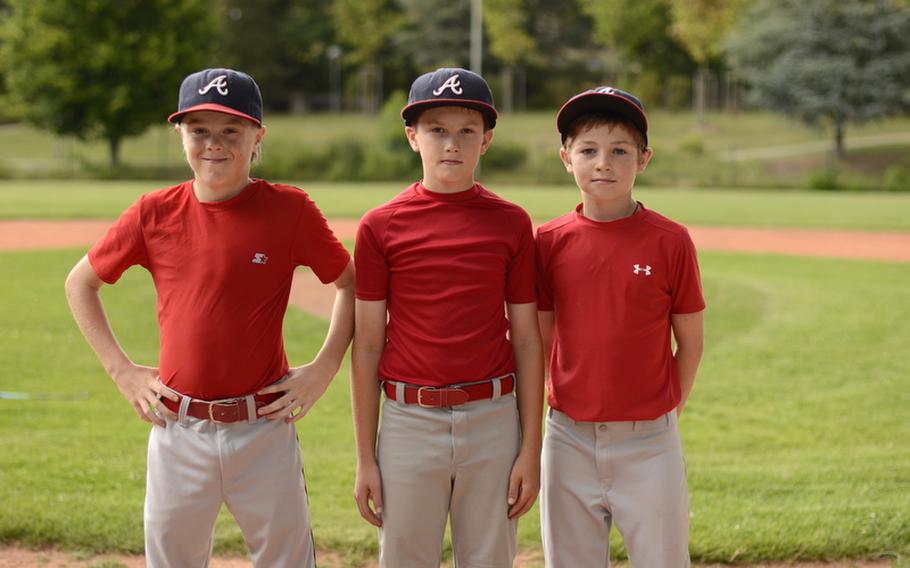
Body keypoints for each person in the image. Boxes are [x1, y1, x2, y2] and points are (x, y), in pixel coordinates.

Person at [64, 68, 354, 567]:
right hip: (178, 427)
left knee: (287, 559)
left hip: (263, 425)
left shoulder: (290, 210)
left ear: (257, 136)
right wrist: (123, 371)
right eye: (199, 130)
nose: (213, 144)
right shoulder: (153, 212)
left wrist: (324, 368)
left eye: (230, 131)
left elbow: (351, 283)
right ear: (180, 134)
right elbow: (80, 284)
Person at [350, 67, 544, 567]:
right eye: (436, 129)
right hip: (408, 422)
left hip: (493, 419)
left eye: (466, 132)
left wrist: (530, 450)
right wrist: (365, 458)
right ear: (413, 137)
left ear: (487, 140)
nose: (451, 144)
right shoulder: (380, 226)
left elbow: (526, 340)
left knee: (488, 557)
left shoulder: (511, 222)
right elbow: (368, 345)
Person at [536, 86, 706, 567]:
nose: (603, 163)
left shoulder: (670, 240)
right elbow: (541, 340)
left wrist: (668, 409)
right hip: (567, 437)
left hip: (650, 441)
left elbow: (689, 342)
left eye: (619, 151)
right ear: (566, 158)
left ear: (644, 159)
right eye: (588, 150)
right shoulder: (547, 242)